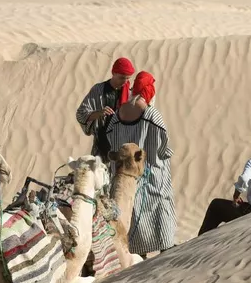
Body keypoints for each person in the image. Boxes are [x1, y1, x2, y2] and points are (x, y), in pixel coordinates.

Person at [105, 70, 177, 256]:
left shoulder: (116, 117)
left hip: (124, 179)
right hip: (152, 176)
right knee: (160, 206)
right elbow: (163, 149)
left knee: (132, 211)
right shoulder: (152, 115)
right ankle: (166, 248)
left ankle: (137, 252)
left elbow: (111, 142)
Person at [75, 57, 135, 162]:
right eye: (122, 78)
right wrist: (98, 113)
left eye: (128, 78)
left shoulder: (130, 94)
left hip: (123, 150)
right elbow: (81, 114)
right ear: (113, 73)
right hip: (101, 147)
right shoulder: (98, 90)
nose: (125, 82)